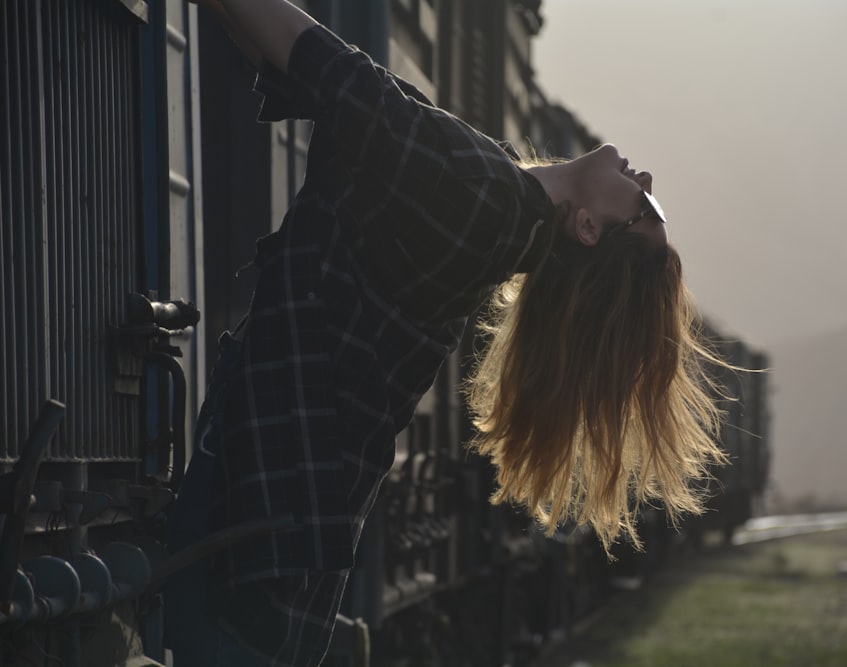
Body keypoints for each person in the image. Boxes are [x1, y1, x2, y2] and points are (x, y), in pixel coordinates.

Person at [167, 1, 726, 665]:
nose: (648, 183)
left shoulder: (480, 201)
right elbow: (301, 64)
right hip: (276, 535)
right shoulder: (492, 201)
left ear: (588, 228)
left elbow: (331, 71)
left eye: (646, 208)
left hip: (259, 536)